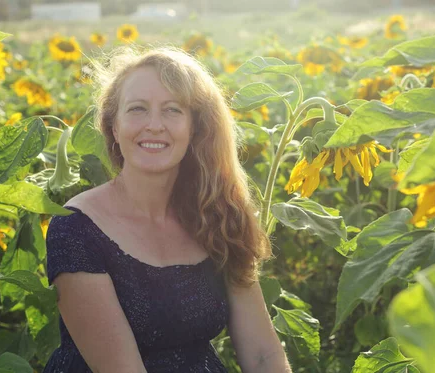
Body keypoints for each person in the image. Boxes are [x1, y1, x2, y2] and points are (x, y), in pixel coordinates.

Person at [42, 46, 292, 373]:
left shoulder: (216, 213)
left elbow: (264, 356)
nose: (155, 125)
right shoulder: (76, 230)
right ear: (113, 128)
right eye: (137, 109)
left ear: (195, 129)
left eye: (172, 110)